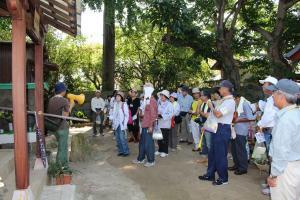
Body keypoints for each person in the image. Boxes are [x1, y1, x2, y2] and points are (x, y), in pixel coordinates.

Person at [265, 79, 300, 200]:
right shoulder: (296, 113)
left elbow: (281, 151)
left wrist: (273, 175)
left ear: (281, 95)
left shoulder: (285, 119)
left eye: (274, 92)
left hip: (285, 170)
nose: (272, 96)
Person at [199, 80, 236, 186]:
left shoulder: (230, 101)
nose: (219, 90)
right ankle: (210, 174)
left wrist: (211, 106)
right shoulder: (223, 100)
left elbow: (218, 114)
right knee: (212, 154)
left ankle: (223, 178)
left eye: (220, 88)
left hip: (223, 129)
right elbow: (213, 115)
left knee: (220, 155)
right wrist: (206, 126)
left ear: (225, 89)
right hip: (218, 128)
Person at [257, 76, 278, 195]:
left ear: (270, 85)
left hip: (271, 131)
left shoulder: (274, 98)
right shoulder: (270, 99)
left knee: (273, 159)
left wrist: (260, 124)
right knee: (271, 159)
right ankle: (271, 182)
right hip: (269, 131)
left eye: (264, 84)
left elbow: (269, 117)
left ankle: (273, 188)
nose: (262, 86)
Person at [47, 82, 74, 167]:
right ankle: (61, 167)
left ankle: (59, 165)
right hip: (62, 128)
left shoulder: (51, 100)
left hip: (53, 127)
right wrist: (71, 106)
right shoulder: (64, 100)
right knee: (63, 147)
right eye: (65, 90)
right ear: (63, 91)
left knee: (60, 147)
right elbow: (65, 116)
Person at [229, 93, 255, 175]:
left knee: (240, 149)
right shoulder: (236, 105)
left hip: (241, 130)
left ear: (238, 98)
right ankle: (236, 165)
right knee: (234, 149)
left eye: (233, 99)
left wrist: (238, 120)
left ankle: (243, 168)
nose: (232, 101)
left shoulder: (245, 104)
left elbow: (251, 118)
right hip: (234, 130)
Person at [132, 83, 158, 167]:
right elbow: (146, 112)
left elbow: (153, 115)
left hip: (148, 125)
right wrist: (142, 115)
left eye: (145, 88)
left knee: (149, 143)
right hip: (144, 124)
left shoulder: (152, 100)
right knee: (142, 142)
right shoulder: (146, 99)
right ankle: (141, 158)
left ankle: (151, 160)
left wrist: (150, 126)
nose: (143, 89)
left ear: (150, 89)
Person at [110, 91, 130, 157]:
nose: (117, 97)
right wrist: (111, 119)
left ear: (121, 97)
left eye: (118, 96)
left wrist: (125, 124)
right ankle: (120, 151)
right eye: (116, 96)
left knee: (122, 138)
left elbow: (126, 115)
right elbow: (113, 113)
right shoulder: (115, 104)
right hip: (116, 124)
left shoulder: (124, 104)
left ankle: (126, 151)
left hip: (122, 124)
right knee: (118, 138)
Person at [156, 90, 174, 157]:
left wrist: (162, 116)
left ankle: (165, 151)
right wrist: (157, 115)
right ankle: (160, 150)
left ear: (166, 97)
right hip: (159, 123)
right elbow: (157, 111)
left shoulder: (169, 104)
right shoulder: (159, 103)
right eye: (161, 95)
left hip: (166, 123)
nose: (161, 97)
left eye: (163, 96)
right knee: (159, 137)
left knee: (165, 138)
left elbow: (171, 114)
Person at [196, 90, 212, 162]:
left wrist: (201, 112)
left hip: (208, 126)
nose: (200, 96)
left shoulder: (210, 103)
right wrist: (199, 106)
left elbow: (207, 115)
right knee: (204, 143)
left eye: (202, 95)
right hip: (202, 124)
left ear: (206, 96)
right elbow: (197, 113)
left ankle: (210, 160)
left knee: (209, 143)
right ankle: (205, 158)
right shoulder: (202, 103)